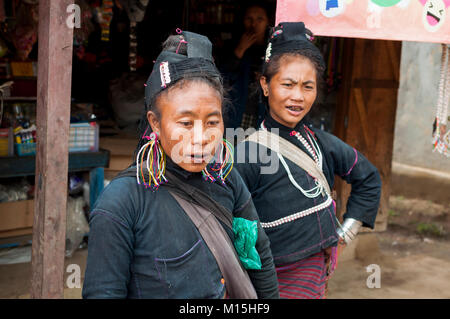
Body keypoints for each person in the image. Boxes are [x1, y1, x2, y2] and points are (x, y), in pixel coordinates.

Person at [82, 30, 279, 299]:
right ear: (155, 123)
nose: (200, 139)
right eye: (185, 123)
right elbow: (103, 293)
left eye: (212, 122)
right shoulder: (122, 201)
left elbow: (260, 255)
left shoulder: (227, 179)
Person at [234, 22, 382, 299]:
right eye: (287, 84)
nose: (297, 97)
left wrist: (347, 231)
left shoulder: (323, 144)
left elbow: (368, 178)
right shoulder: (247, 154)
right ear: (265, 84)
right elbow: (231, 221)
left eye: (307, 86)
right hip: (268, 280)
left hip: (315, 274)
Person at [218, 3, 271, 130]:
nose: (254, 25)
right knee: (234, 148)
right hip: (236, 114)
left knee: (259, 149)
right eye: (249, 19)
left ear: (267, 22)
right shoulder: (231, 45)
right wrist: (240, 50)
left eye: (260, 19)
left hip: (263, 115)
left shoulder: (273, 48)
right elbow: (221, 77)